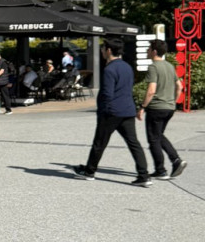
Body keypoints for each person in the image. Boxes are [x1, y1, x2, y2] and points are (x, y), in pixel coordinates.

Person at [74, 38, 149, 185]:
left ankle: (89, 171)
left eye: (103, 48)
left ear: (108, 50)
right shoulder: (127, 67)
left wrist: (102, 111)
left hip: (111, 112)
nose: (102, 51)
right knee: (133, 143)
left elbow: (107, 94)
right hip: (128, 110)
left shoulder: (109, 69)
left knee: (99, 142)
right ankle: (144, 175)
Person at [136, 39, 186, 178]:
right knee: (158, 135)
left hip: (156, 108)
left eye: (148, 49)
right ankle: (176, 160)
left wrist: (142, 107)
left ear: (154, 51)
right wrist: (173, 102)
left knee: (153, 139)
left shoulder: (153, 67)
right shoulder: (169, 66)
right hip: (169, 107)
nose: (147, 51)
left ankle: (161, 170)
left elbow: (151, 90)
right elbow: (179, 86)